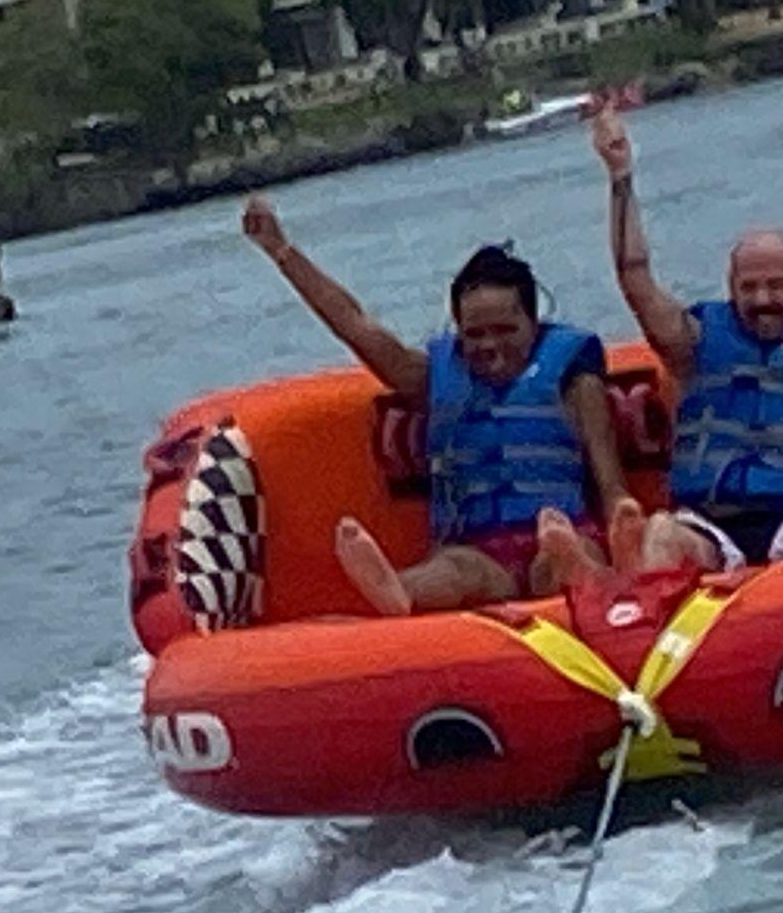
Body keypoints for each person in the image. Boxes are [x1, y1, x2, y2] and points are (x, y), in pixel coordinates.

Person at [240, 197, 631, 613]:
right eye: (475, 334)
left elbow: (612, 485)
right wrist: (281, 251)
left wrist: (628, 547)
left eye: (505, 330)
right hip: (480, 552)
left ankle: (572, 567)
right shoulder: (429, 378)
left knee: (558, 559)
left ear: (534, 324)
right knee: (455, 570)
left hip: (563, 530)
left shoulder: (575, 380)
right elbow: (355, 325)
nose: (489, 345)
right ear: (458, 329)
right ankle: (397, 590)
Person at [586, 95, 783, 569]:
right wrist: (620, 177)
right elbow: (634, 276)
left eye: (776, 285)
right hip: (708, 524)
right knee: (661, 532)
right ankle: (647, 584)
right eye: (749, 287)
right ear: (730, 288)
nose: (762, 299)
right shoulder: (692, 347)